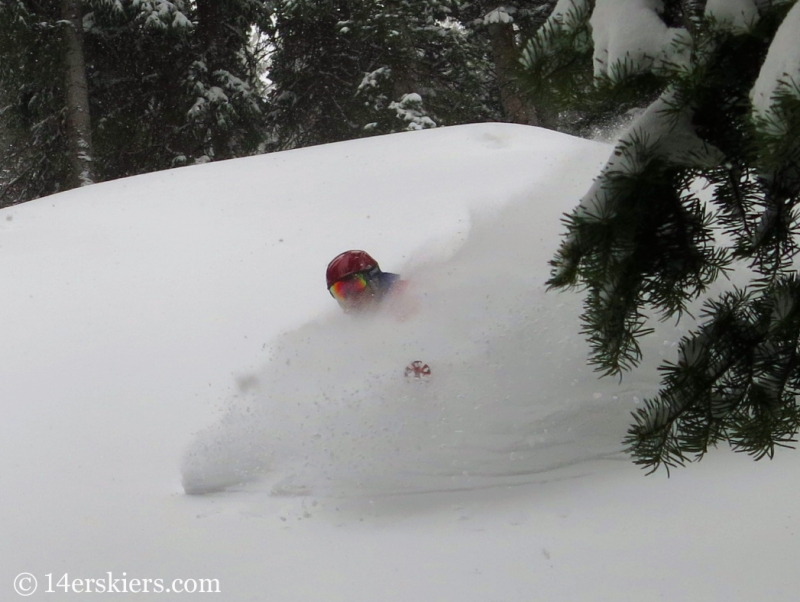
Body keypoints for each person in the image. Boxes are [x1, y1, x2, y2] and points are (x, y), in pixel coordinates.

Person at [326, 250, 404, 313]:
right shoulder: (348, 326)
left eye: (356, 286)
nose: (351, 298)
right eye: (340, 292)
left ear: (374, 280)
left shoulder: (405, 297)